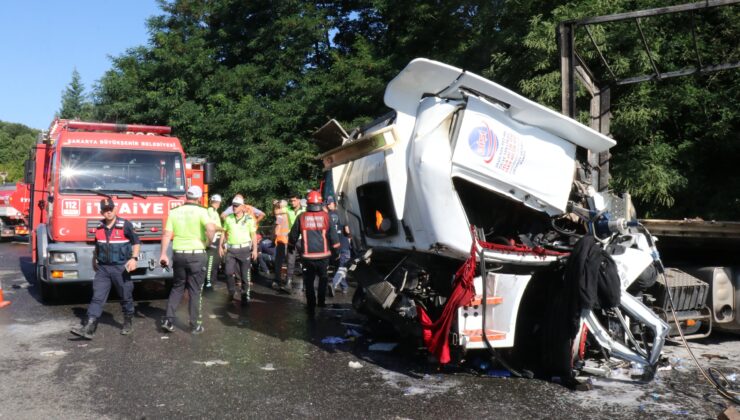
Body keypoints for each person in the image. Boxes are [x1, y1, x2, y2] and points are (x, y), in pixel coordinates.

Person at [71, 198, 141, 339]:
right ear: (101, 212)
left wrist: (134, 258)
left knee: (125, 296)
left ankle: (128, 322)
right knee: (97, 297)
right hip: (103, 269)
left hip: (121, 268)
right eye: (105, 210)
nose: (108, 212)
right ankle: (89, 328)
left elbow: (136, 242)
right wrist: (94, 260)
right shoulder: (98, 227)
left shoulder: (125, 225)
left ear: (115, 209)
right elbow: (98, 246)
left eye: (111, 209)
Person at [159, 186, 216, 334]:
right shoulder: (202, 211)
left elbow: (166, 234)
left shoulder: (174, 212)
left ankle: (168, 320)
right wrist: (209, 242)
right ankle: (194, 325)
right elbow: (210, 229)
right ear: (198, 198)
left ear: (186, 196)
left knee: (177, 287)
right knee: (195, 290)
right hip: (196, 254)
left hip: (179, 254)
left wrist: (163, 254)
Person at [288, 190, 339, 312]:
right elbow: (334, 238)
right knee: (323, 278)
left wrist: (290, 246)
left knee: (309, 281)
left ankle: (311, 304)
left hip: (308, 257)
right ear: (320, 202)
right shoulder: (326, 217)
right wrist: (336, 255)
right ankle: (321, 302)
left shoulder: (301, 217)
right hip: (324, 257)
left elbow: (293, 236)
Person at [222, 195, 258, 304]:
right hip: (231, 250)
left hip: (244, 250)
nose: (234, 207)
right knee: (228, 272)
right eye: (233, 205)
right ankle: (231, 291)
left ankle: (244, 295)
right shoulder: (228, 218)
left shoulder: (249, 218)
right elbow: (224, 232)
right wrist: (220, 245)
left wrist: (255, 249)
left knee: (244, 275)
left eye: (237, 206)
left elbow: (253, 235)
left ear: (242, 207)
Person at [326, 196, 352, 295]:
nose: (328, 205)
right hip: (344, 245)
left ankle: (344, 287)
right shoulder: (343, 214)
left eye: (329, 203)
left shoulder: (326, 216)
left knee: (338, 267)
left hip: (333, 246)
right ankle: (333, 284)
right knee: (343, 267)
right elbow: (347, 230)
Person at [284, 193, 305, 291]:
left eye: (294, 200)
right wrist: (277, 204)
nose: (292, 203)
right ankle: (288, 283)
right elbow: (275, 212)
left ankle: (306, 284)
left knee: (305, 262)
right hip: (292, 239)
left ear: (299, 200)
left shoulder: (305, 209)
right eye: (291, 201)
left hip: (303, 239)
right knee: (290, 262)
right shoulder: (288, 209)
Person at [204, 194, 224, 290]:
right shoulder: (210, 211)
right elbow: (212, 226)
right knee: (211, 263)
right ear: (217, 202)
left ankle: (213, 282)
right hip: (213, 239)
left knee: (215, 262)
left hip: (217, 238)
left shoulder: (214, 211)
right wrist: (223, 229)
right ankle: (208, 283)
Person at [272, 199, 290, 291]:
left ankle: (277, 280)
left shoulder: (280, 214)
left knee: (278, 262)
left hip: (280, 240)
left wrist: (274, 235)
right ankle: (287, 280)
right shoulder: (288, 212)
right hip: (287, 239)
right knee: (288, 262)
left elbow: (278, 227)